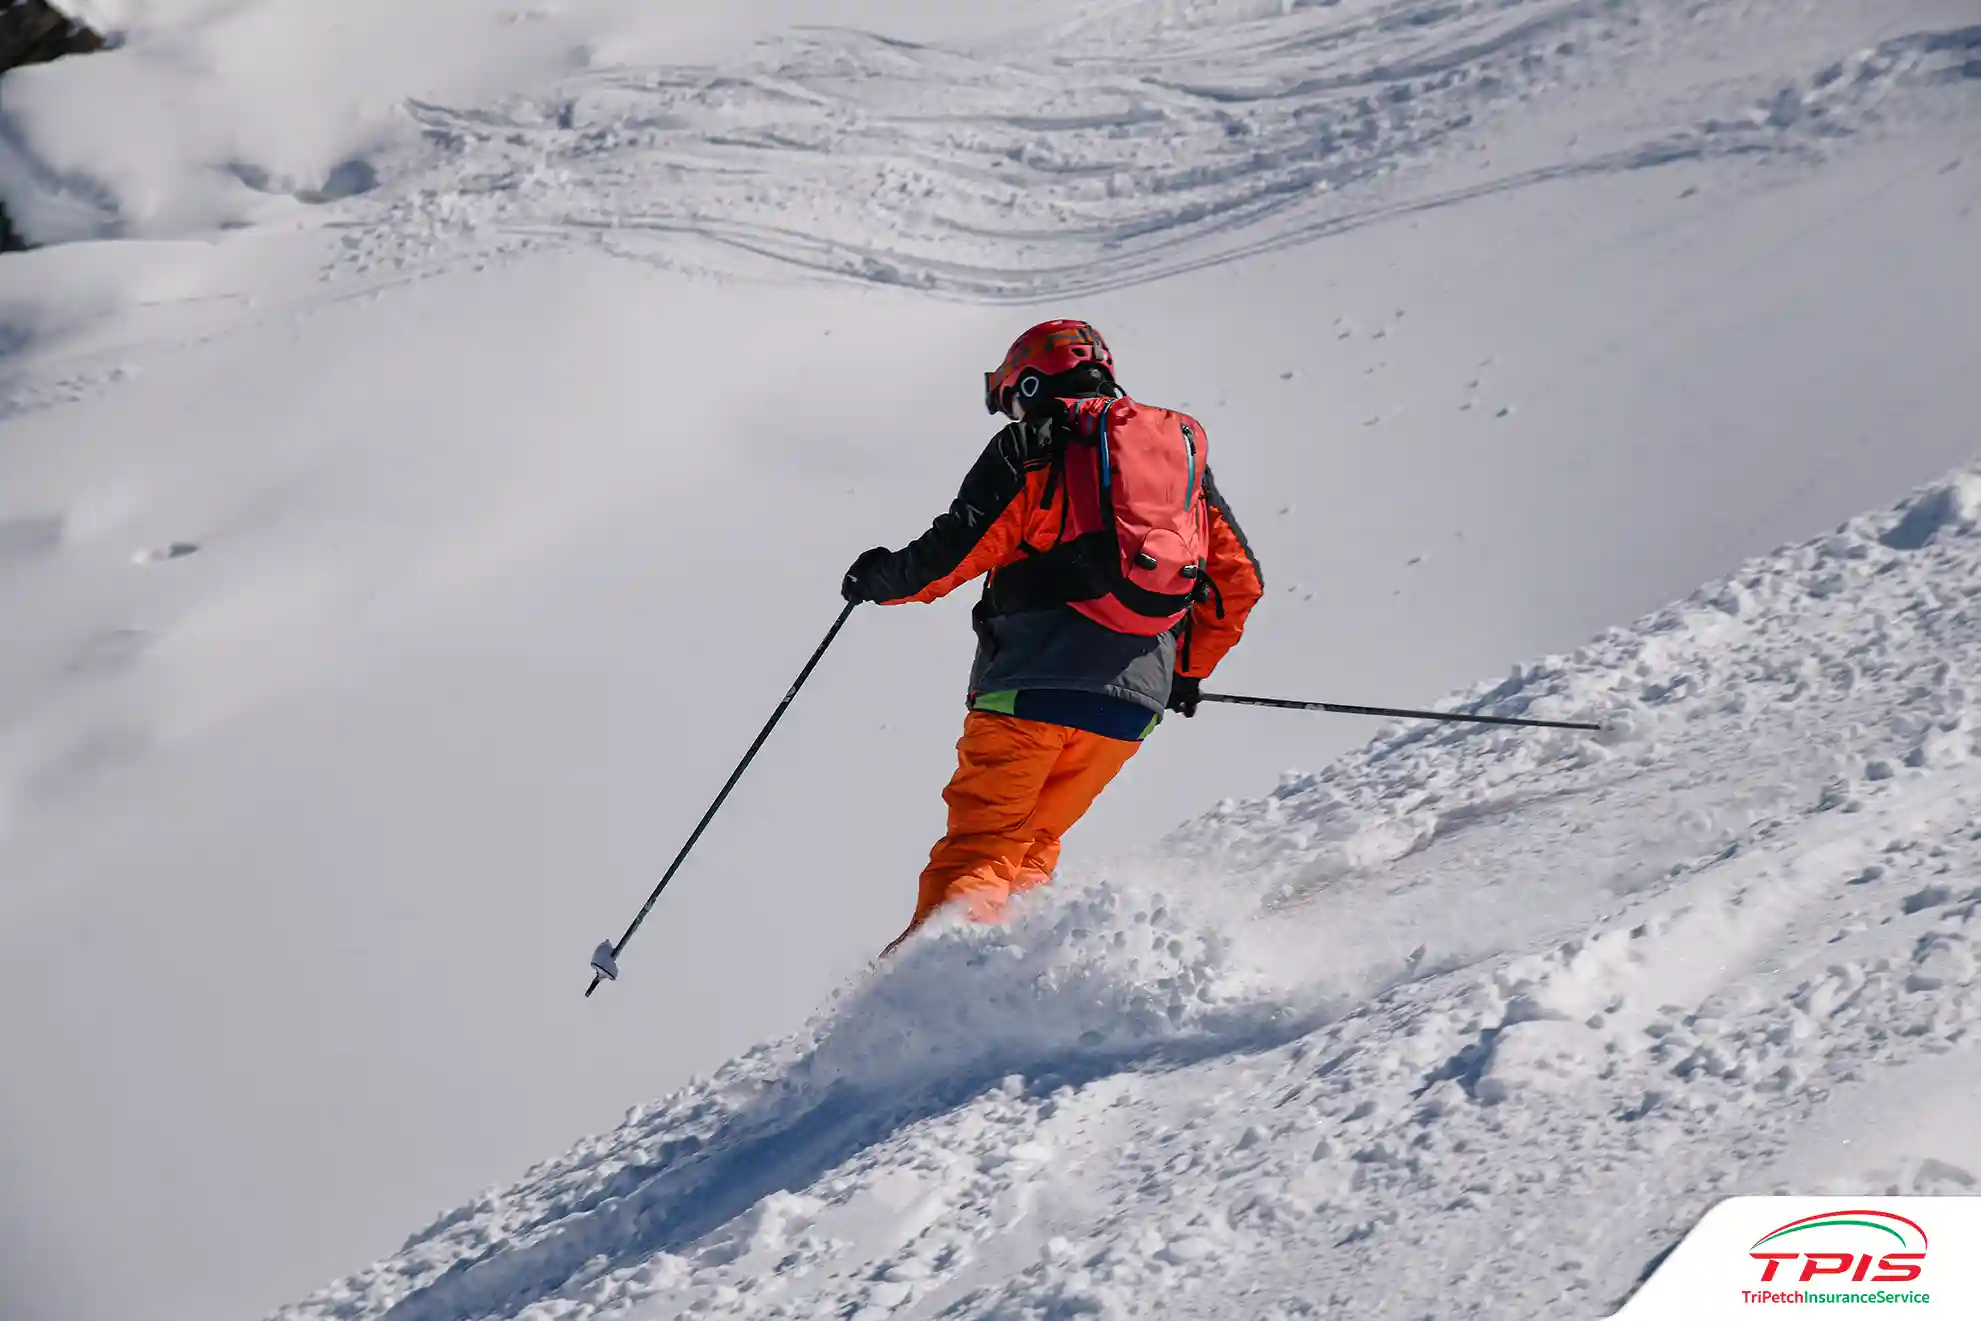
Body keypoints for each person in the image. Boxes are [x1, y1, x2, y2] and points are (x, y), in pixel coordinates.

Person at [840, 319, 1264, 954]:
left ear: (1032, 382)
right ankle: (1013, 981)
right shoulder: (1179, 461)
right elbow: (1239, 581)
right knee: (1031, 846)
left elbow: (961, 546)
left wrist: (880, 578)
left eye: (1011, 396)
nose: (1010, 410)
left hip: (1030, 691)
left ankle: (931, 996)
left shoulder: (1033, 444)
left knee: (983, 849)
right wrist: (1185, 671)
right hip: (1129, 710)